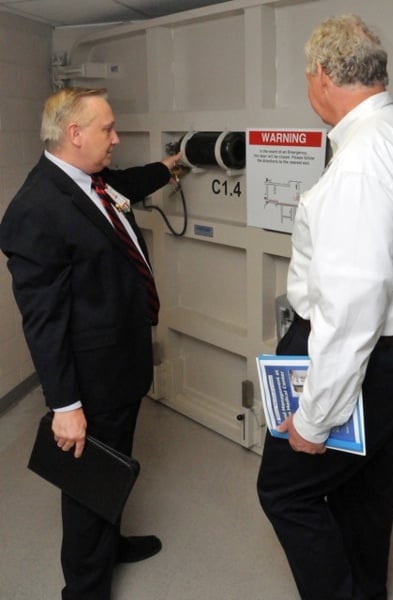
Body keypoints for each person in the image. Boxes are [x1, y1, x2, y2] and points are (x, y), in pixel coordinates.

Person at [257, 14, 393, 600]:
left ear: (320, 76)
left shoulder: (360, 164)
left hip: (371, 356)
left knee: (284, 492)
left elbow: (353, 311)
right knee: (366, 480)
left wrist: (316, 418)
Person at [0, 87, 182, 600]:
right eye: (107, 129)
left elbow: (130, 182)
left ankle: (111, 545)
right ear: (74, 134)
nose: (116, 138)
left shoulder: (93, 183)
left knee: (112, 466)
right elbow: (43, 320)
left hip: (120, 367)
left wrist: (172, 165)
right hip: (90, 381)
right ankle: (84, 588)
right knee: (86, 487)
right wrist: (65, 405)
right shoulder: (36, 208)